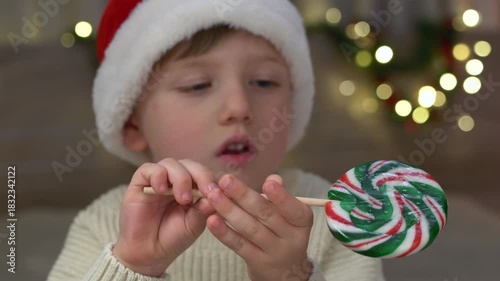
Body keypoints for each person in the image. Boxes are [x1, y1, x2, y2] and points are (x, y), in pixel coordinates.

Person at [48, 0, 385, 280]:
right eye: (197, 85)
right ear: (133, 128)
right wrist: (134, 265)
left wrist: (291, 275)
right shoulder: (103, 224)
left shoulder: (337, 216)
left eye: (265, 82)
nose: (239, 108)